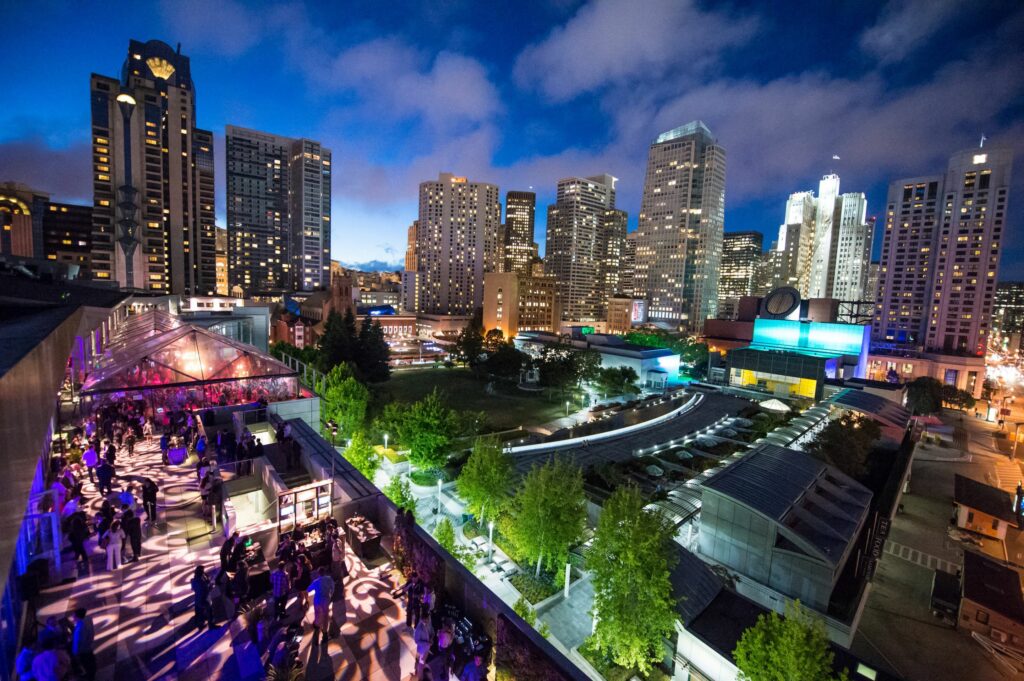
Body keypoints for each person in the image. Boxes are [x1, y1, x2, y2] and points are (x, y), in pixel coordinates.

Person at [308, 567, 334, 646]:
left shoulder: (316, 581)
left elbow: (309, 589)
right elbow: (332, 588)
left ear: (318, 574)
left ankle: (317, 625)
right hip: (326, 600)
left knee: (317, 613)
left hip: (318, 600)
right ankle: (325, 633)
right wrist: (330, 595)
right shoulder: (329, 579)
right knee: (325, 616)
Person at [72, 607, 96, 681]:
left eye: (74, 616)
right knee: (91, 661)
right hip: (89, 645)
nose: (73, 618)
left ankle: (90, 677)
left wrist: (75, 652)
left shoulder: (80, 629)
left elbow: (78, 642)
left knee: (87, 664)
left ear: (77, 617)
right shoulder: (88, 619)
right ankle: (92, 672)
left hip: (83, 650)